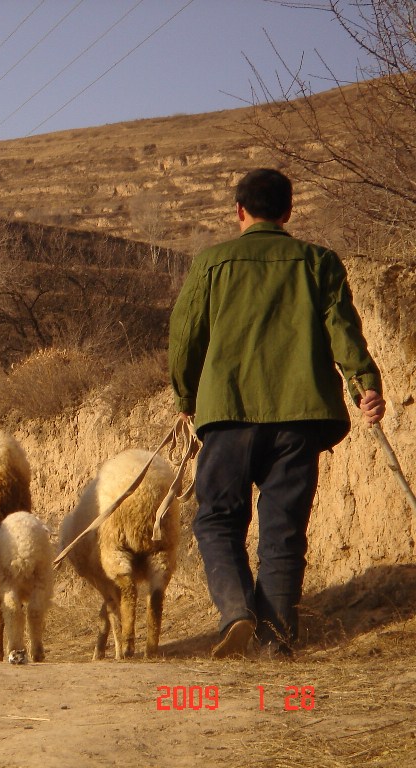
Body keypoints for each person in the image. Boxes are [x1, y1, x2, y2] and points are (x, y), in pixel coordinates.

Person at [168, 168, 386, 658]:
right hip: (300, 416)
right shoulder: (319, 262)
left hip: (227, 413)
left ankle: (237, 612)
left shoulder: (212, 263)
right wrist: (365, 385)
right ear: (288, 212)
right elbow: (344, 333)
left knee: (218, 520)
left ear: (239, 211)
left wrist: (187, 397)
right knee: (284, 526)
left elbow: (184, 339)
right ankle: (276, 643)